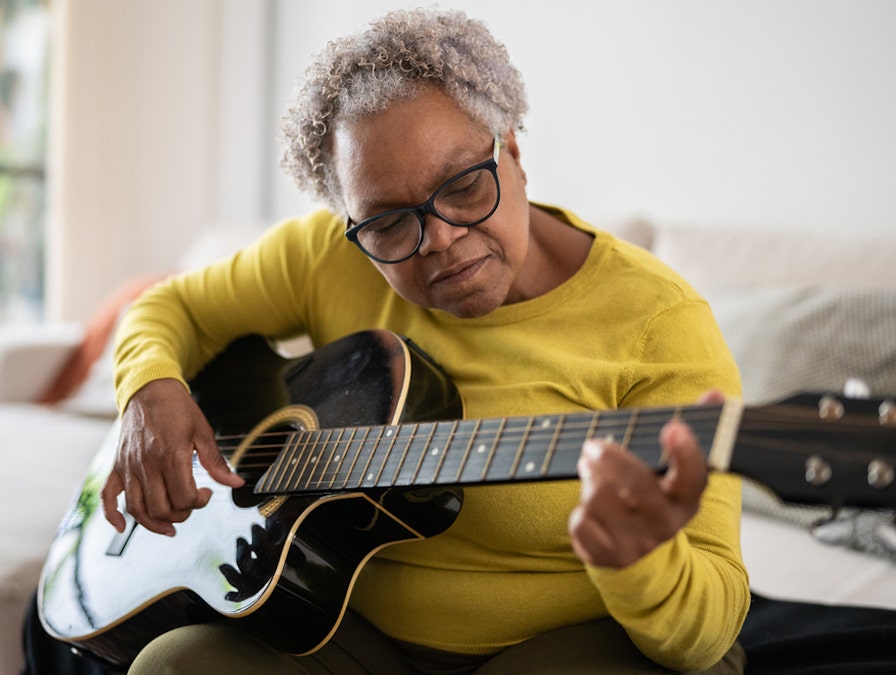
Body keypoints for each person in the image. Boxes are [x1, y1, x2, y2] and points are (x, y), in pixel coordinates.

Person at [102, 8, 748, 674]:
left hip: (565, 639)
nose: (439, 237)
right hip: (354, 631)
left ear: (514, 151)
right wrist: (149, 389)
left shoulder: (658, 322)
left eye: (465, 186)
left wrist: (642, 561)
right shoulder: (331, 255)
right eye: (386, 224)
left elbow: (707, 633)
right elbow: (170, 307)